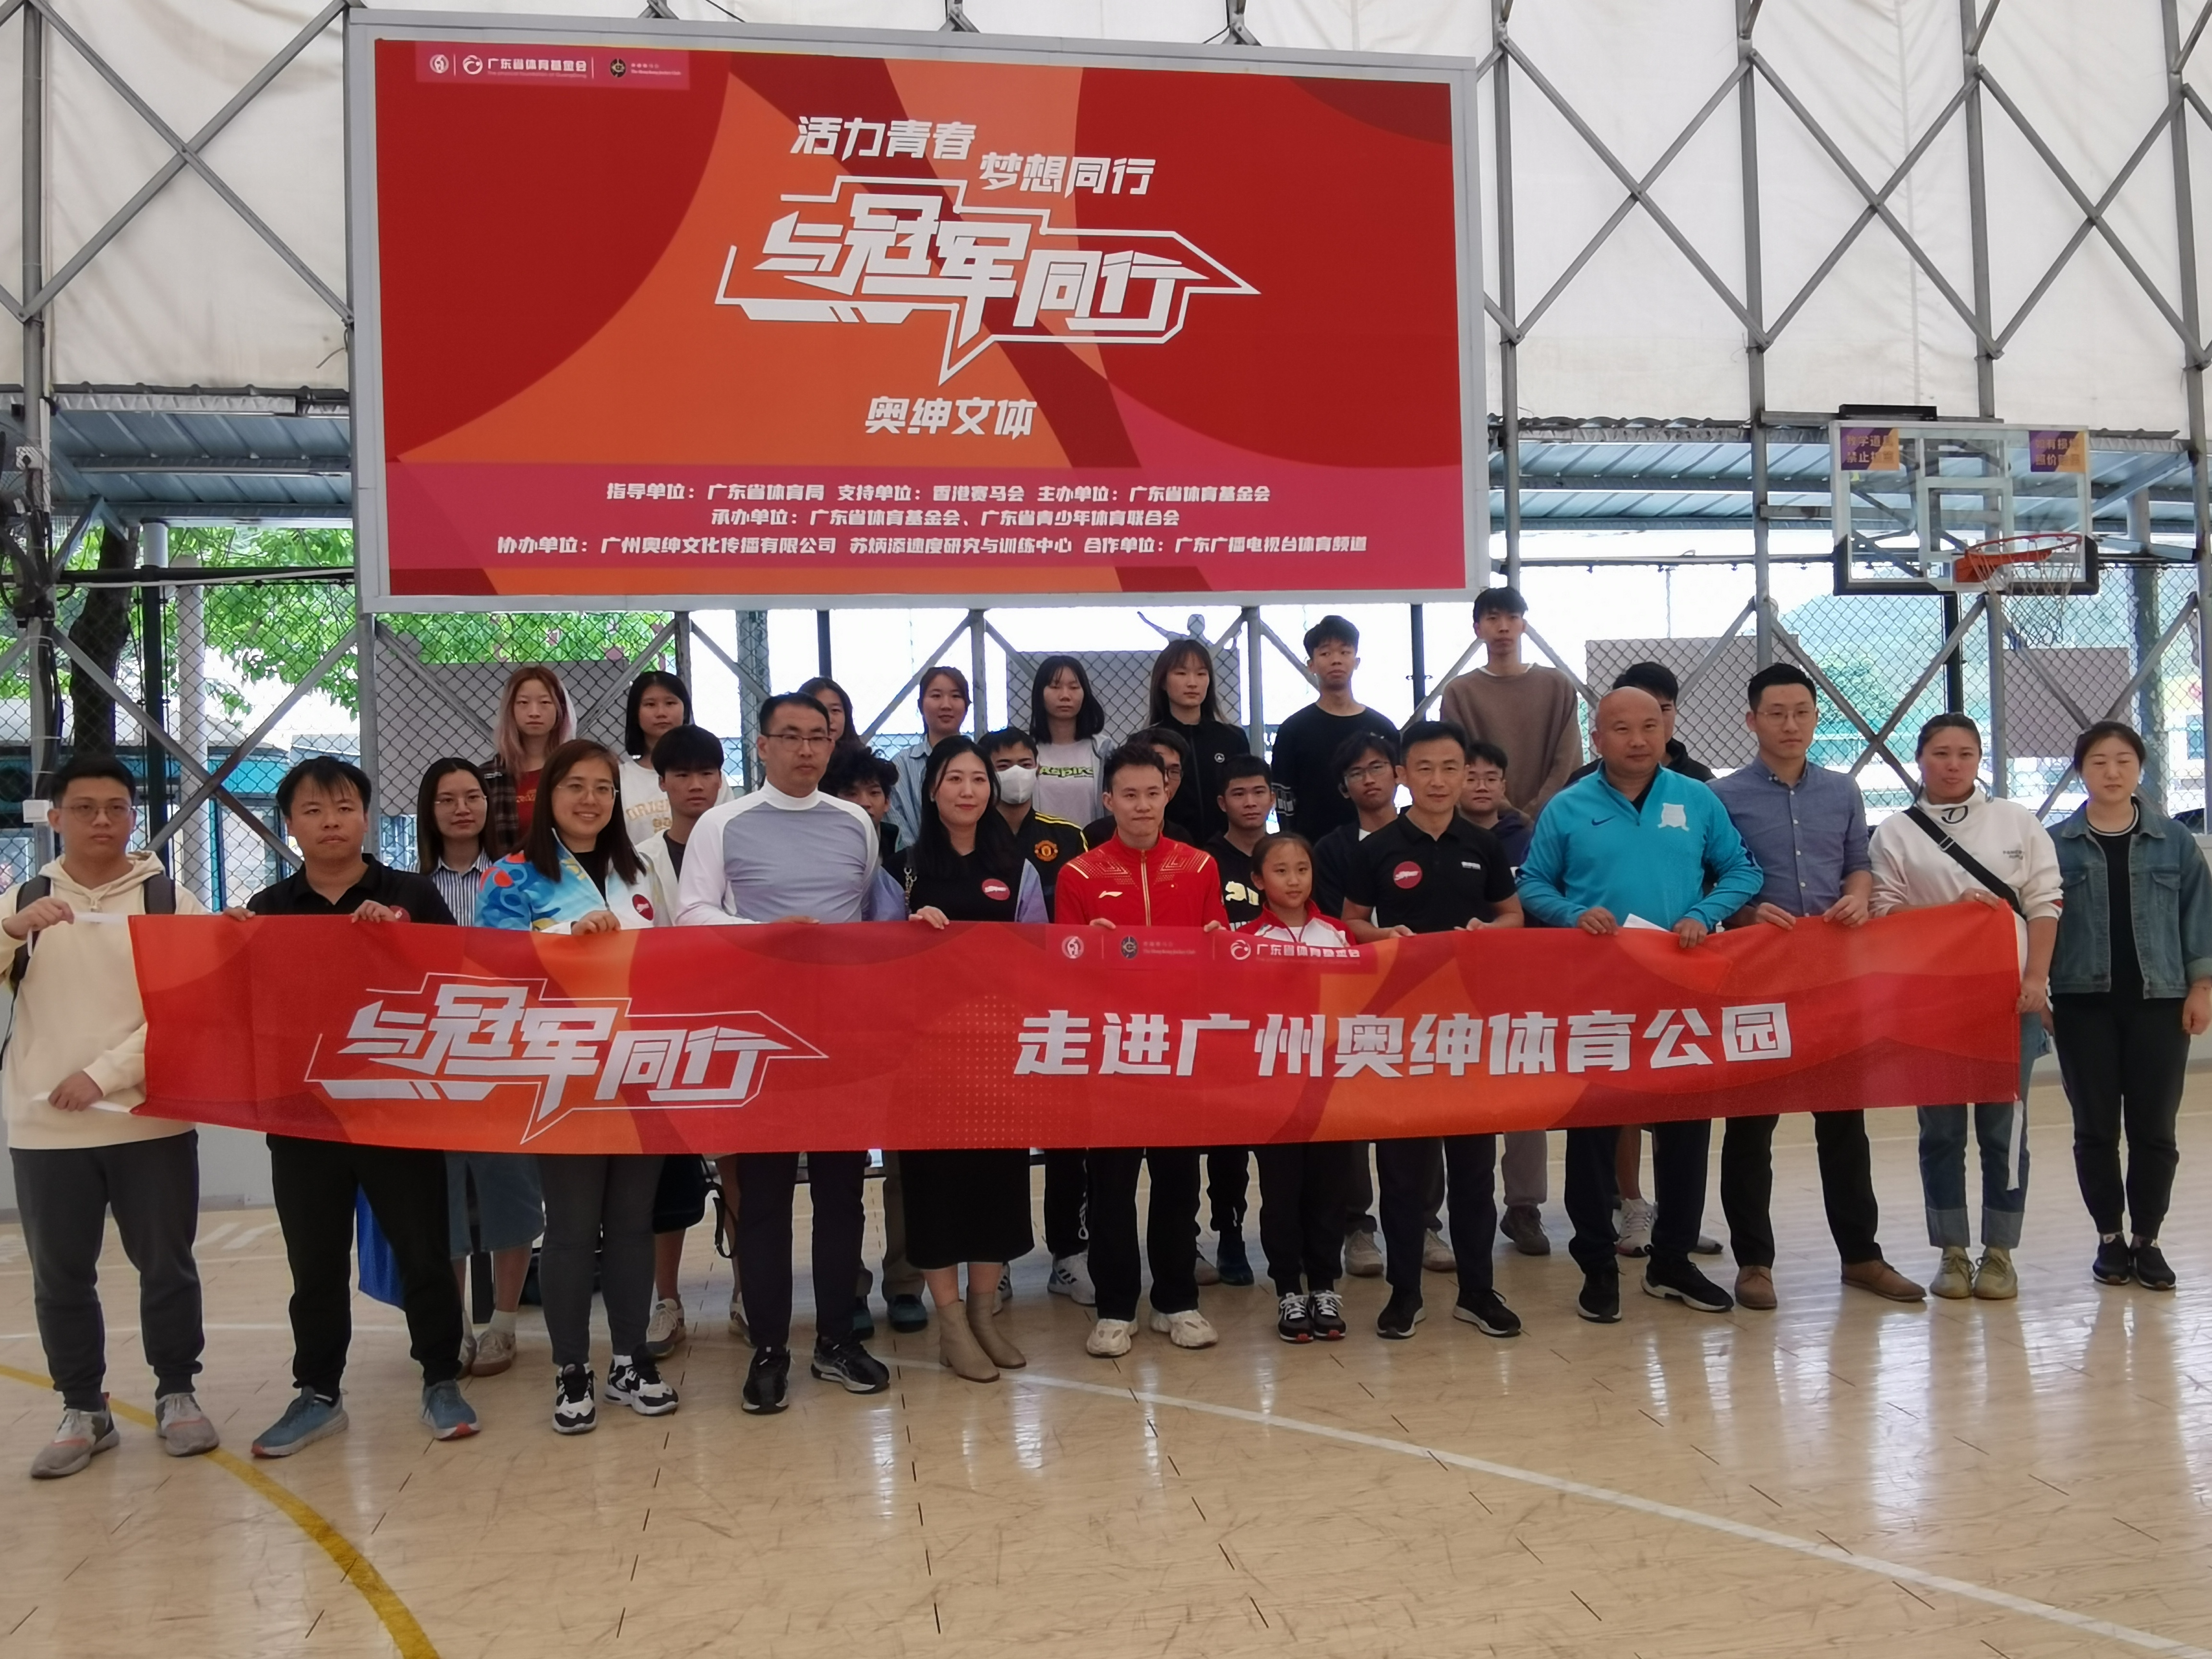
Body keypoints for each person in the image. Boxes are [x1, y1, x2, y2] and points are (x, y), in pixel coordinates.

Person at [241, 756, 478, 1455]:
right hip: (304, 1114)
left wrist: (399, 939)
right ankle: (318, 1393)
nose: (331, 822)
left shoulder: (411, 895)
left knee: (424, 1253)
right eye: (313, 811)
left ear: (367, 818)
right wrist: (230, 947)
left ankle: (441, 1378)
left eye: (344, 808)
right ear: (291, 825)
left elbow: (458, 982)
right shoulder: (268, 911)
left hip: (396, 1107)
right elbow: (248, 1009)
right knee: (314, 1263)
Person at [676, 692, 897, 1413]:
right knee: (765, 1197)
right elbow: (691, 915)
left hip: (841, 1035)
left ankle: (837, 1339)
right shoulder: (723, 823)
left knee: (842, 1194)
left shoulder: (856, 824)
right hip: (760, 1035)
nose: (806, 749)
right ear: (763, 746)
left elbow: (869, 916)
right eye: (791, 736)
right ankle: (770, 1346)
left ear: (833, 745)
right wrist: (767, 935)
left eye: (818, 737)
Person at [1518, 689, 1764, 1323]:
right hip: (1598, 997)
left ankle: (1672, 1262)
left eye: (1650, 726)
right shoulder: (1568, 807)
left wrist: (1704, 914)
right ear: (1597, 738)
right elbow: (1534, 884)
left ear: (1666, 730)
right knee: (1594, 1130)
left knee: (1685, 1130)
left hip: (1679, 993)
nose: (1637, 739)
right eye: (1621, 728)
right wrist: (1572, 914)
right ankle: (1597, 1267)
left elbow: (1742, 872)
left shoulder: (1697, 799)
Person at [5, 754, 217, 1479]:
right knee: (61, 1276)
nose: (102, 821)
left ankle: (177, 1393)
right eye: (85, 808)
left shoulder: (169, 900)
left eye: (117, 808)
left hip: (149, 1119)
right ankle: (82, 1409)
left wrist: (102, 1076)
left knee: (167, 1266)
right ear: (56, 817)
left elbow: (190, 1009)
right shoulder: (25, 897)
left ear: (134, 816)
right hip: (45, 1128)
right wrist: (12, 930)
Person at [1709, 665, 1924, 1309]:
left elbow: (1859, 864)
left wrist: (1858, 896)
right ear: (1752, 721)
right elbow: (1710, 879)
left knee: (1844, 1125)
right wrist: (1746, 915)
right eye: (1776, 713)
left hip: (1833, 980)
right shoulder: (1721, 797)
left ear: (1815, 718)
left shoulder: (1843, 790)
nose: (1791, 724)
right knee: (1751, 1128)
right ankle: (1754, 1263)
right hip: (1758, 980)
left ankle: (1862, 1256)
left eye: (1802, 712)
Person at [476, 740, 674, 1433]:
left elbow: (678, 958)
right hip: (561, 1075)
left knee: (632, 1224)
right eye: (576, 787)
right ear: (547, 797)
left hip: (641, 1070)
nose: (591, 800)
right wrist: (568, 936)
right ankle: (571, 1370)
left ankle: (628, 1360)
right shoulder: (512, 875)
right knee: (569, 1228)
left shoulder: (642, 869)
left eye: (603, 789)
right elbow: (495, 971)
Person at [1341, 720, 1527, 1340]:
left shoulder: (1485, 843)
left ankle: (1478, 1291)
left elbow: (1512, 915)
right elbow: (1351, 923)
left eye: (1451, 768)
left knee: (1474, 1170)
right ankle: (1405, 1293)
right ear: (1402, 775)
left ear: (1466, 774)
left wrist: (1488, 933)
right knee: (1402, 1173)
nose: (1440, 780)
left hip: (1469, 1031)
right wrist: (1382, 936)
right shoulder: (1377, 849)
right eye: (1425, 768)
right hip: (1400, 1033)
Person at [1869, 713, 2060, 1302]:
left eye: (1965, 754)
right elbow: (1883, 911)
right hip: (1932, 1003)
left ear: (1980, 760)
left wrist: (2036, 979)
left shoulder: (2017, 821)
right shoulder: (1895, 833)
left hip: (2009, 1000)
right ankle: (1951, 1251)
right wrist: (1950, 915)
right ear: (1920, 759)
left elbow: (2045, 903)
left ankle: (2000, 1252)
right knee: (1942, 1132)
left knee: (2005, 1131)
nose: (1953, 765)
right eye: (1941, 753)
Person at [1057, 742, 1230, 1357]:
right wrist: (1087, 945)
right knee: (1112, 1185)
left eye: (1152, 793)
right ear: (1108, 800)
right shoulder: (1078, 875)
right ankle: (1114, 1307)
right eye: (1128, 795)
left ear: (1167, 794)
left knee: (1179, 1180)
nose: (1142, 806)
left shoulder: (1200, 866)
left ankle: (1177, 1302)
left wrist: (1218, 942)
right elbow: (1062, 965)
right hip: (1112, 1050)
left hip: (1180, 1047)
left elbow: (1220, 950)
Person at [900, 737, 1047, 1381]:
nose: (969, 790)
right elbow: (872, 958)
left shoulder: (1018, 869)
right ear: (932, 789)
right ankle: (951, 1323)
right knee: (935, 1187)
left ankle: (985, 1314)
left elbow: (1038, 955)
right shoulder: (904, 870)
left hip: (996, 1049)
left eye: (979, 779)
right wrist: (907, 936)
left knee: (996, 1184)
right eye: (954, 778)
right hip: (924, 1056)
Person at [2050, 721, 2212, 1293]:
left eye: (2123, 761)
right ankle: (2109, 1239)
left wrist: (2202, 986)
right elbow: (2035, 922)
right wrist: (2037, 990)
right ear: (2081, 771)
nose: (2112, 772)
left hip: (2160, 1004)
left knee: (2155, 1130)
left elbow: (2199, 917)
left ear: (2140, 768)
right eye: (2099, 762)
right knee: (2095, 1130)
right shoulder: (2055, 844)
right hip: (2081, 1005)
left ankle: (2148, 1239)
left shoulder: (2174, 841)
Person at [415, 757, 541, 1373]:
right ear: (428, 810)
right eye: (447, 799)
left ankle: (505, 1324)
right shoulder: (409, 887)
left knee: (510, 1186)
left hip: (508, 1052)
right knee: (441, 1196)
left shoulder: (518, 877)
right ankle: (456, 1326)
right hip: (433, 1058)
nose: (462, 809)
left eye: (472, 796)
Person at [633, 722, 731, 1359]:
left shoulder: (740, 843)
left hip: (735, 1024)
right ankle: (665, 1299)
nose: (696, 785)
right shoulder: (637, 859)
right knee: (665, 1176)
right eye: (683, 775)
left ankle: (748, 1290)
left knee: (742, 1165)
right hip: (665, 1032)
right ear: (662, 784)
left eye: (707, 773)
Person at [1240, 832, 1359, 1342]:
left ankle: (1325, 1285)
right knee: (1281, 1194)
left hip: (1331, 1089)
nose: (1293, 880)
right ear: (1258, 880)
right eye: (1281, 871)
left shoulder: (1337, 934)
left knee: (1330, 1191)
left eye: (1302, 870)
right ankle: (1289, 1289)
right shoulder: (1245, 941)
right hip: (1274, 1091)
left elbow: (1359, 1001)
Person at [1309, 728, 1401, 1277]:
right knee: (1351, 1113)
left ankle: (1423, 1223)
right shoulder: (1330, 850)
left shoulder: (1426, 837)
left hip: (1422, 993)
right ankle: (1357, 1227)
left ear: (1398, 774)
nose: (1369, 780)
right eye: (1356, 773)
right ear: (1344, 788)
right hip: (1354, 992)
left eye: (1377, 767)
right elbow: (1331, 923)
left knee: (1420, 1111)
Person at [1197, 753, 1275, 1286]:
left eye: (1259, 792)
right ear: (1222, 802)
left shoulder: (1289, 854)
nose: (1251, 802)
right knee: (1228, 1139)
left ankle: (1287, 1236)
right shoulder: (1205, 862)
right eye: (1239, 794)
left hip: (1283, 1014)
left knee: (1280, 1136)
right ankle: (1229, 1234)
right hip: (1224, 1016)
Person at [1438, 587, 1583, 817]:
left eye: (1513, 618)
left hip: (1553, 818)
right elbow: (1459, 760)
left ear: (1523, 626)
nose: (1503, 627)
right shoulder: (1459, 692)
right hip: (1485, 821)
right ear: (1478, 629)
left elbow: (1568, 761)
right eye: (1493, 618)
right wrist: (1511, 816)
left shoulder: (1558, 685)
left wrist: (1536, 812)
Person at [1269, 615, 1401, 840]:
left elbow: (1393, 788)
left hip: (1379, 842)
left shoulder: (1383, 728)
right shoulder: (1294, 730)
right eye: (1325, 653)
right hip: (1313, 846)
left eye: (1345, 652)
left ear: (1356, 661)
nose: (1336, 660)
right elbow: (1284, 798)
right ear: (1311, 665)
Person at [1149, 637, 1251, 842]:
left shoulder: (1233, 738)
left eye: (1201, 674)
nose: (1192, 683)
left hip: (1225, 849)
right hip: (1169, 848)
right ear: (1163, 682)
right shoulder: (1146, 743)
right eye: (1181, 673)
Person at [979, 725, 1090, 910]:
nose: (1017, 773)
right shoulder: (970, 836)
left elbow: (1086, 900)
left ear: (1038, 770)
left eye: (1025, 765)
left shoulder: (1069, 837)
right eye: (1004, 766)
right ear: (985, 773)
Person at [620, 670, 728, 846]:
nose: (661, 713)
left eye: (670, 703)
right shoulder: (620, 778)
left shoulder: (711, 776)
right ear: (635, 713)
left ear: (685, 709)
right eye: (650, 704)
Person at [481, 664, 575, 856]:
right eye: (523, 703)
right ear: (511, 709)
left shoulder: (575, 770)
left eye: (545, 702)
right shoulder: (488, 777)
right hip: (508, 872)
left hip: (570, 871)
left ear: (560, 709)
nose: (534, 712)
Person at [1568, 662, 1714, 784]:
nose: (1656, 720)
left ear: (1676, 709)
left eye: (1664, 709)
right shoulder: (1580, 786)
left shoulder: (1701, 781)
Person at [1027, 654, 1116, 829]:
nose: (1065, 696)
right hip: (1040, 844)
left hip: (1091, 844)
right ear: (1040, 693)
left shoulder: (1103, 749)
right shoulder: (1026, 749)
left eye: (1074, 687)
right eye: (1055, 687)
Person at [888, 665, 972, 845]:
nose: (946, 705)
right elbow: (899, 827)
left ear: (967, 705)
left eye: (956, 696)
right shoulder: (901, 765)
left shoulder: (982, 761)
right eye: (936, 696)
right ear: (921, 706)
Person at [1085, 725, 1197, 850]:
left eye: (1174, 771)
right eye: (1155, 766)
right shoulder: (1096, 836)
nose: (1165, 779)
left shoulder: (1182, 838)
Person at [826, 744, 908, 885]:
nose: (864, 803)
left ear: (887, 802)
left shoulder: (902, 853)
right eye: (851, 794)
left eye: (874, 793)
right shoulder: (822, 851)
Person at [1459, 740, 1531, 868]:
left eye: (1491, 779)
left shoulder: (1527, 841)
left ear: (1503, 787)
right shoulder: (1444, 839)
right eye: (1471, 779)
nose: (1482, 787)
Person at [797, 673, 864, 755]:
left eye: (835, 710)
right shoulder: (787, 760)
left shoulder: (864, 761)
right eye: (818, 710)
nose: (828, 719)